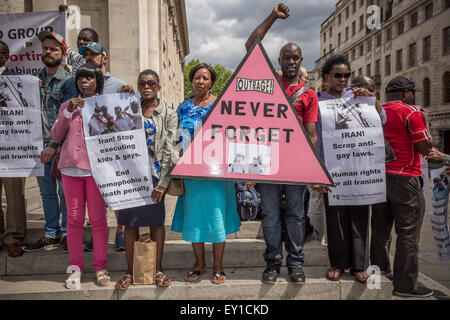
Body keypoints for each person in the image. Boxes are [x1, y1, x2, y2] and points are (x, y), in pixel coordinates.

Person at [245, 3, 319, 285]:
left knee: (297, 216)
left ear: (301, 61)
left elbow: (311, 134)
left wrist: (314, 169)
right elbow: (251, 44)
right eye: (286, 57)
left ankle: (295, 263)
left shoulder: (309, 95)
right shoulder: (268, 83)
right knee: (271, 217)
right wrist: (273, 17)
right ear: (278, 60)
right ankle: (273, 261)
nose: (291, 61)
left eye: (296, 58)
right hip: (267, 163)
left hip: (297, 164)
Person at [171, 63, 241, 285]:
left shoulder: (223, 105)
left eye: (205, 78)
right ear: (191, 81)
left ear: (212, 82)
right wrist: (175, 157)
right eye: (197, 78)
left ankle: (218, 266)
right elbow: (177, 136)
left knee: (216, 216)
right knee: (194, 217)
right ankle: (199, 264)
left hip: (217, 172)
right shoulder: (183, 107)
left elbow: (234, 134)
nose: (201, 81)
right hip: (191, 172)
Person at [316, 55, 378, 283]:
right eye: (337, 75)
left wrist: (372, 100)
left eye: (346, 75)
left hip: (360, 167)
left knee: (360, 216)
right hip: (332, 168)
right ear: (326, 77)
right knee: (335, 218)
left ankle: (359, 265)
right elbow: (315, 136)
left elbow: (380, 119)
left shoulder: (359, 97)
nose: (343, 79)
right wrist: (319, 170)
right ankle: (338, 263)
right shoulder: (318, 100)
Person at [370, 76, 434, 298]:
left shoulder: (376, 111)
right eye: (412, 92)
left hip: (379, 178)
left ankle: (378, 275)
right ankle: (405, 285)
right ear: (406, 93)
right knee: (408, 233)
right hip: (405, 179)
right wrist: (425, 122)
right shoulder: (411, 113)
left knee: (379, 229)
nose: (413, 96)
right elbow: (425, 148)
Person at [115, 69, 177, 289]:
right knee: (130, 224)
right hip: (130, 178)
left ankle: (157, 269)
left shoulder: (168, 114)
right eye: (142, 83)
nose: (147, 86)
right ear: (138, 86)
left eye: (151, 83)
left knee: (156, 224)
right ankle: (129, 272)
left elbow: (170, 150)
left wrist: (163, 183)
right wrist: (121, 97)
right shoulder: (128, 108)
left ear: (158, 86)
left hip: (154, 177)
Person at [50, 61, 110, 288]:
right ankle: (75, 267)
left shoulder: (105, 104)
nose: (84, 81)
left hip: (96, 171)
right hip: (70, 169)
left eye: (89, 77)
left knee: (98, 219)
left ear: (98, 81)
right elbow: (56, 135)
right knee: (73, 220)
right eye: (81, 78)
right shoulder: (68, 105)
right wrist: (68, 112)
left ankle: (100, 266)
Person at [23, 31, 78, 253]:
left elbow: (70, 117)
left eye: (53, 48)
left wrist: (53, 145)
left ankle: (66, 233)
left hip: (61, 147)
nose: (48, 51)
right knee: (46, 192)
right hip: (38, 145)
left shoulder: (69, 82)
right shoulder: (33, 79)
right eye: (45, 48)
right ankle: (50, 233)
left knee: (65, 191)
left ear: (63, 54)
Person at [79, 41, 133, 251]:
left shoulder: (117, 84)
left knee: (118, 193)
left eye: (93, 54)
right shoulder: (82, 83)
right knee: (96, 197)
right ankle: (97, 234)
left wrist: (128, 91)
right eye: (86, 55)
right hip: (91, 151)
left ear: (105, 59)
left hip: (115, 150)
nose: (89, 58)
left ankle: (120, 233)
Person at [0, 41, 27, 258]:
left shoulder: (17, 80)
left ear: (6, 56)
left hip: (12, 146)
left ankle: (14, 238)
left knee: (14, 194)